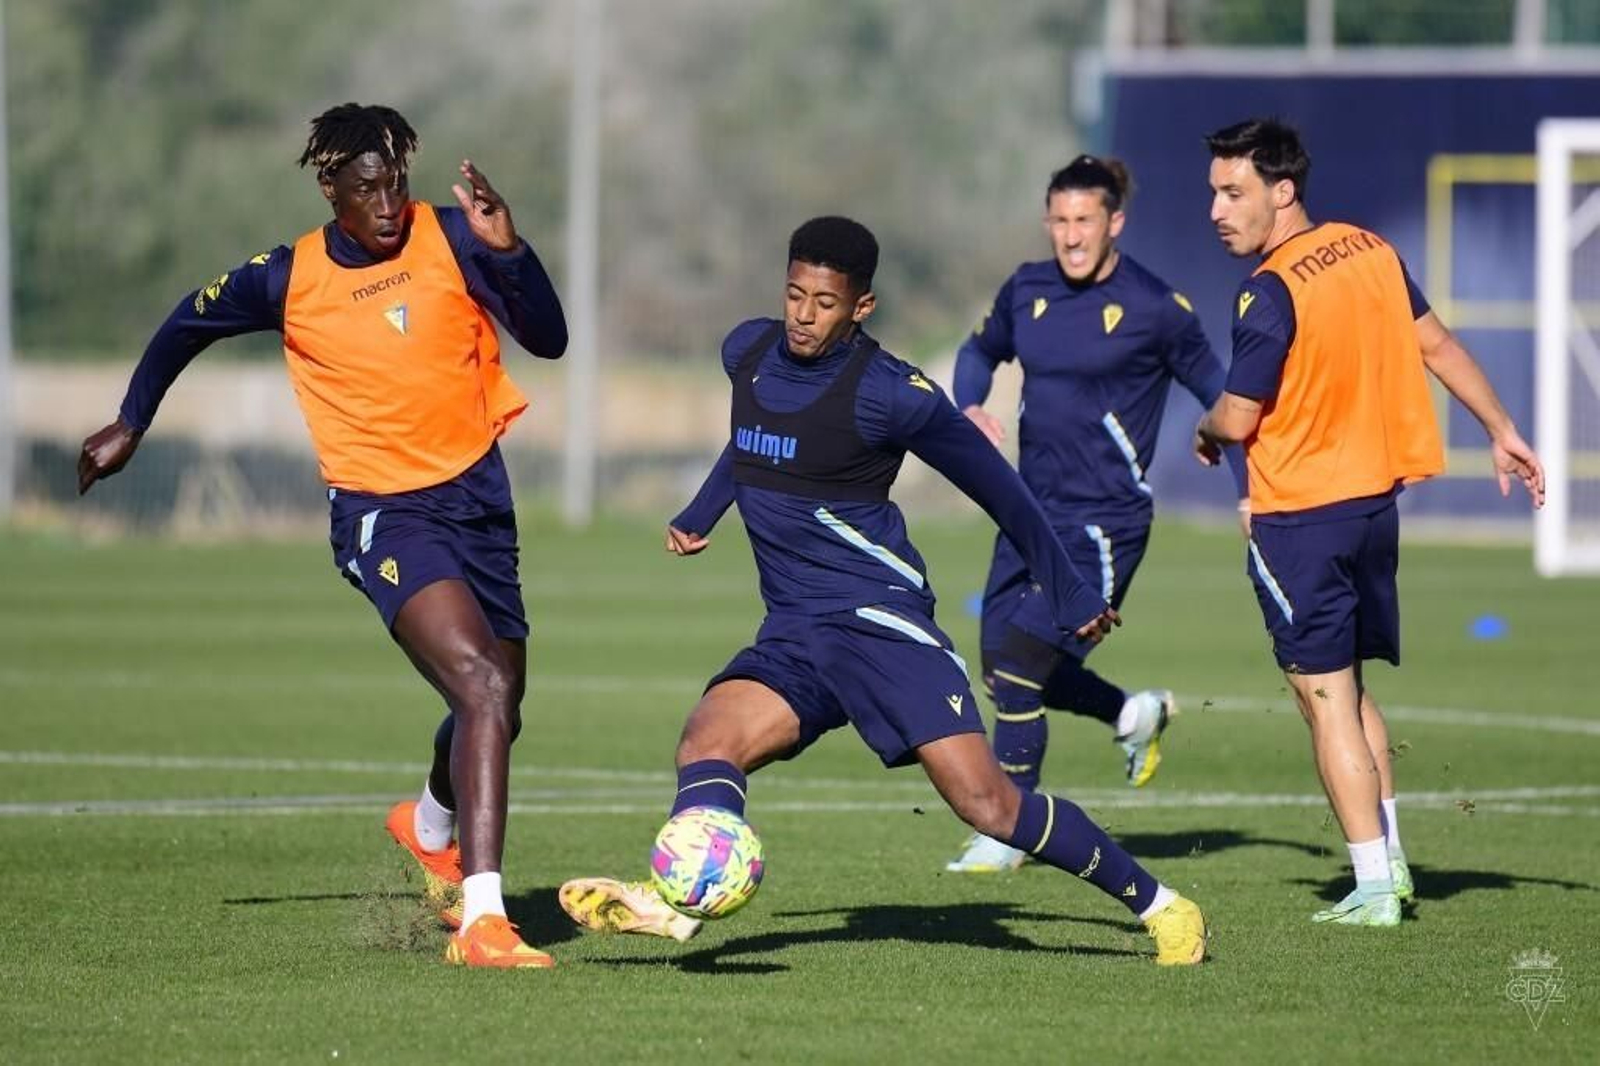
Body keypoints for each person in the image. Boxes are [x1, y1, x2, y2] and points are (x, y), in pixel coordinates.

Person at [554, 216, 1207, 965]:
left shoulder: (893, 394)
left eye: (824, 302)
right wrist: (704, 511)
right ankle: (677, 900)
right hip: (797, 631)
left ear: (861, 306)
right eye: (794, 294)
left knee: (988, 805)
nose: (803, 314)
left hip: (882, 627)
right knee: (708, 740)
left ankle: (1163, 906)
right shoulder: (749, 352)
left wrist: (1068, 592)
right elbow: (753, 435)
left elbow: (1003, 492)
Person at [76, 103, 569, 967]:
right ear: (331, 188)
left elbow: (550, 340)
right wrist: (130, 421)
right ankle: (484, 918)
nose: (387, 206)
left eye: (397, 186)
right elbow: (186, 321)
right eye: (367, 189)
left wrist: (510, 254)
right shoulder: (288, 275)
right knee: (484, 686)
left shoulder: (453, 237)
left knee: (501, 705)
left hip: (481, 503)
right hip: (383, 511)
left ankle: (427, 825)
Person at [1194, 118, 1544, 927]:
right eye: (1214, 191)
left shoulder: (1268, 287)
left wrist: (1205, 430)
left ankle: (1376, 886)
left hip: (1300, 520)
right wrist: (1501, 428)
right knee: (1348, 694)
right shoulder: (1367, 249)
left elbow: (1240, 418)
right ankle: (1389, 861)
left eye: (1233, 192)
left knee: (1323, 702)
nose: (1217, 208)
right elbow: (1440, 344)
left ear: (1283, 192)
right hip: (1374, 511)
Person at [946, 155, 1248, 874]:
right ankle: (1130, 715)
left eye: (1085, 220)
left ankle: (1008, 828)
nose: (1070, 236)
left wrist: (1250, 487)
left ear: (1115, 222)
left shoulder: (1153, 307)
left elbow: (1228, 399)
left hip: (1103, 523)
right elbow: (977, 349)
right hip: (1027, 513)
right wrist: (971, 404)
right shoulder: (1028, 290)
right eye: (1059, 220)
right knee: (1002, 672)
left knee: (1021, 668)